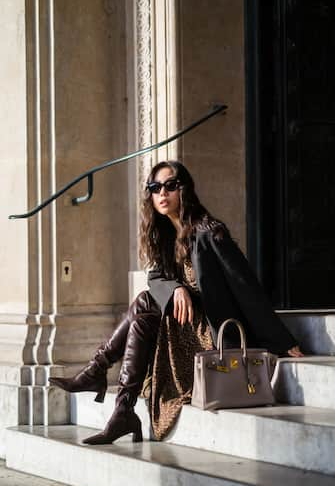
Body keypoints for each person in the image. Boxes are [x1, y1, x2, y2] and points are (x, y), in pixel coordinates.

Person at [49, 160, 303, 444]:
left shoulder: (210, 232)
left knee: (144, 304)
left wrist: (281, 340)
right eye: (155, 187)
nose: (162, 193)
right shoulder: (163, 234)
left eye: (170, 185)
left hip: (209, 335)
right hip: (182, 330)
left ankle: (100, 376)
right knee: (145, 311)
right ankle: (121, 408)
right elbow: (155, 277)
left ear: (185, 190)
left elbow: (246, 288)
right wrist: (177, 289)